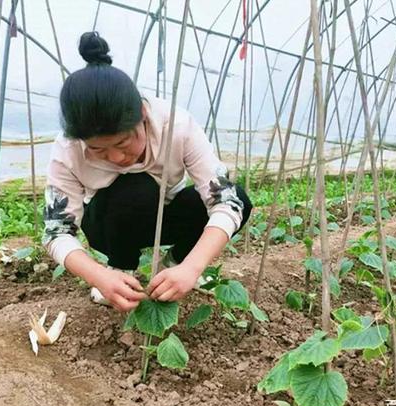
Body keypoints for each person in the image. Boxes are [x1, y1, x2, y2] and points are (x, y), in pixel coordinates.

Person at [42, 32, 252, 313]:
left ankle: (175, 263)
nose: (116, 157)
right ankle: (119, 268)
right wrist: (98, 276)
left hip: (165, 217)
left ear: (142, 114)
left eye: (122, 143)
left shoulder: (176, 126)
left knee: (238, 196)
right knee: (135, 187)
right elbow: (56, 232)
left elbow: (227, 200)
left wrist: (192, 267)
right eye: (99, 151)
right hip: (108, 224)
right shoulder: (67, 150)